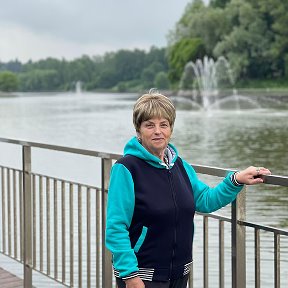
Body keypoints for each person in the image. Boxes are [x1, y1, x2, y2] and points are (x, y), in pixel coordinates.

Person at [105, 91, 271, 288]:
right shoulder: (126, 168)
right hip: (142, 277)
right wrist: (130, 275)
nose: (157, 131)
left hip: (179, 274)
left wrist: (235, 180)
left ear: (171, 129)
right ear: (139, 131)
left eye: (163, 124)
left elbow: (206, 200)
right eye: (149, 125)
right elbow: (116, 228)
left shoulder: (180, 166)